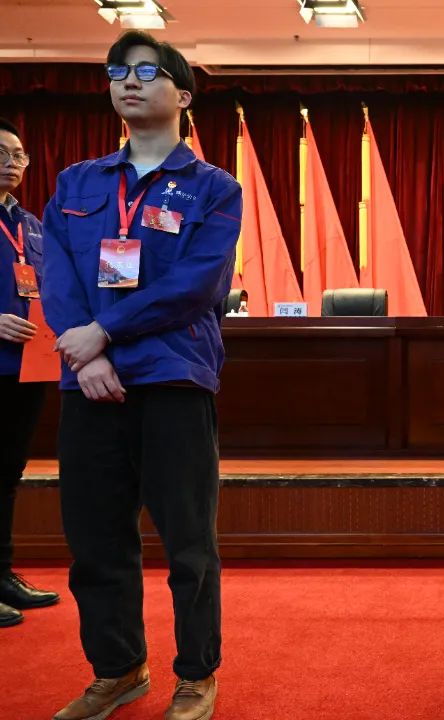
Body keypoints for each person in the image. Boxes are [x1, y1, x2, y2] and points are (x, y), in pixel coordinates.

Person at [41, 31, 241, 720]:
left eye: (148, 71)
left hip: (172, 379)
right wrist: (87, 352)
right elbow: (57, 275)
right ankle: (119, 668)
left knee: (188, 542)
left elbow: (197, 284)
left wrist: (106, 333)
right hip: (89, 383)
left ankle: (196, 673)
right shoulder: (77, 182)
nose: (128, 80)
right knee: (95, 541)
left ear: (182, 95)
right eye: (117, 71)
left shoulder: (214, 188)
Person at [0, 117, 60, 629]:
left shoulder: (32, 223)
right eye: (1, 154)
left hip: (25, 368)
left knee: (7, 474)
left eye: (18, 155)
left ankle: (1, 573)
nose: (11, 163)